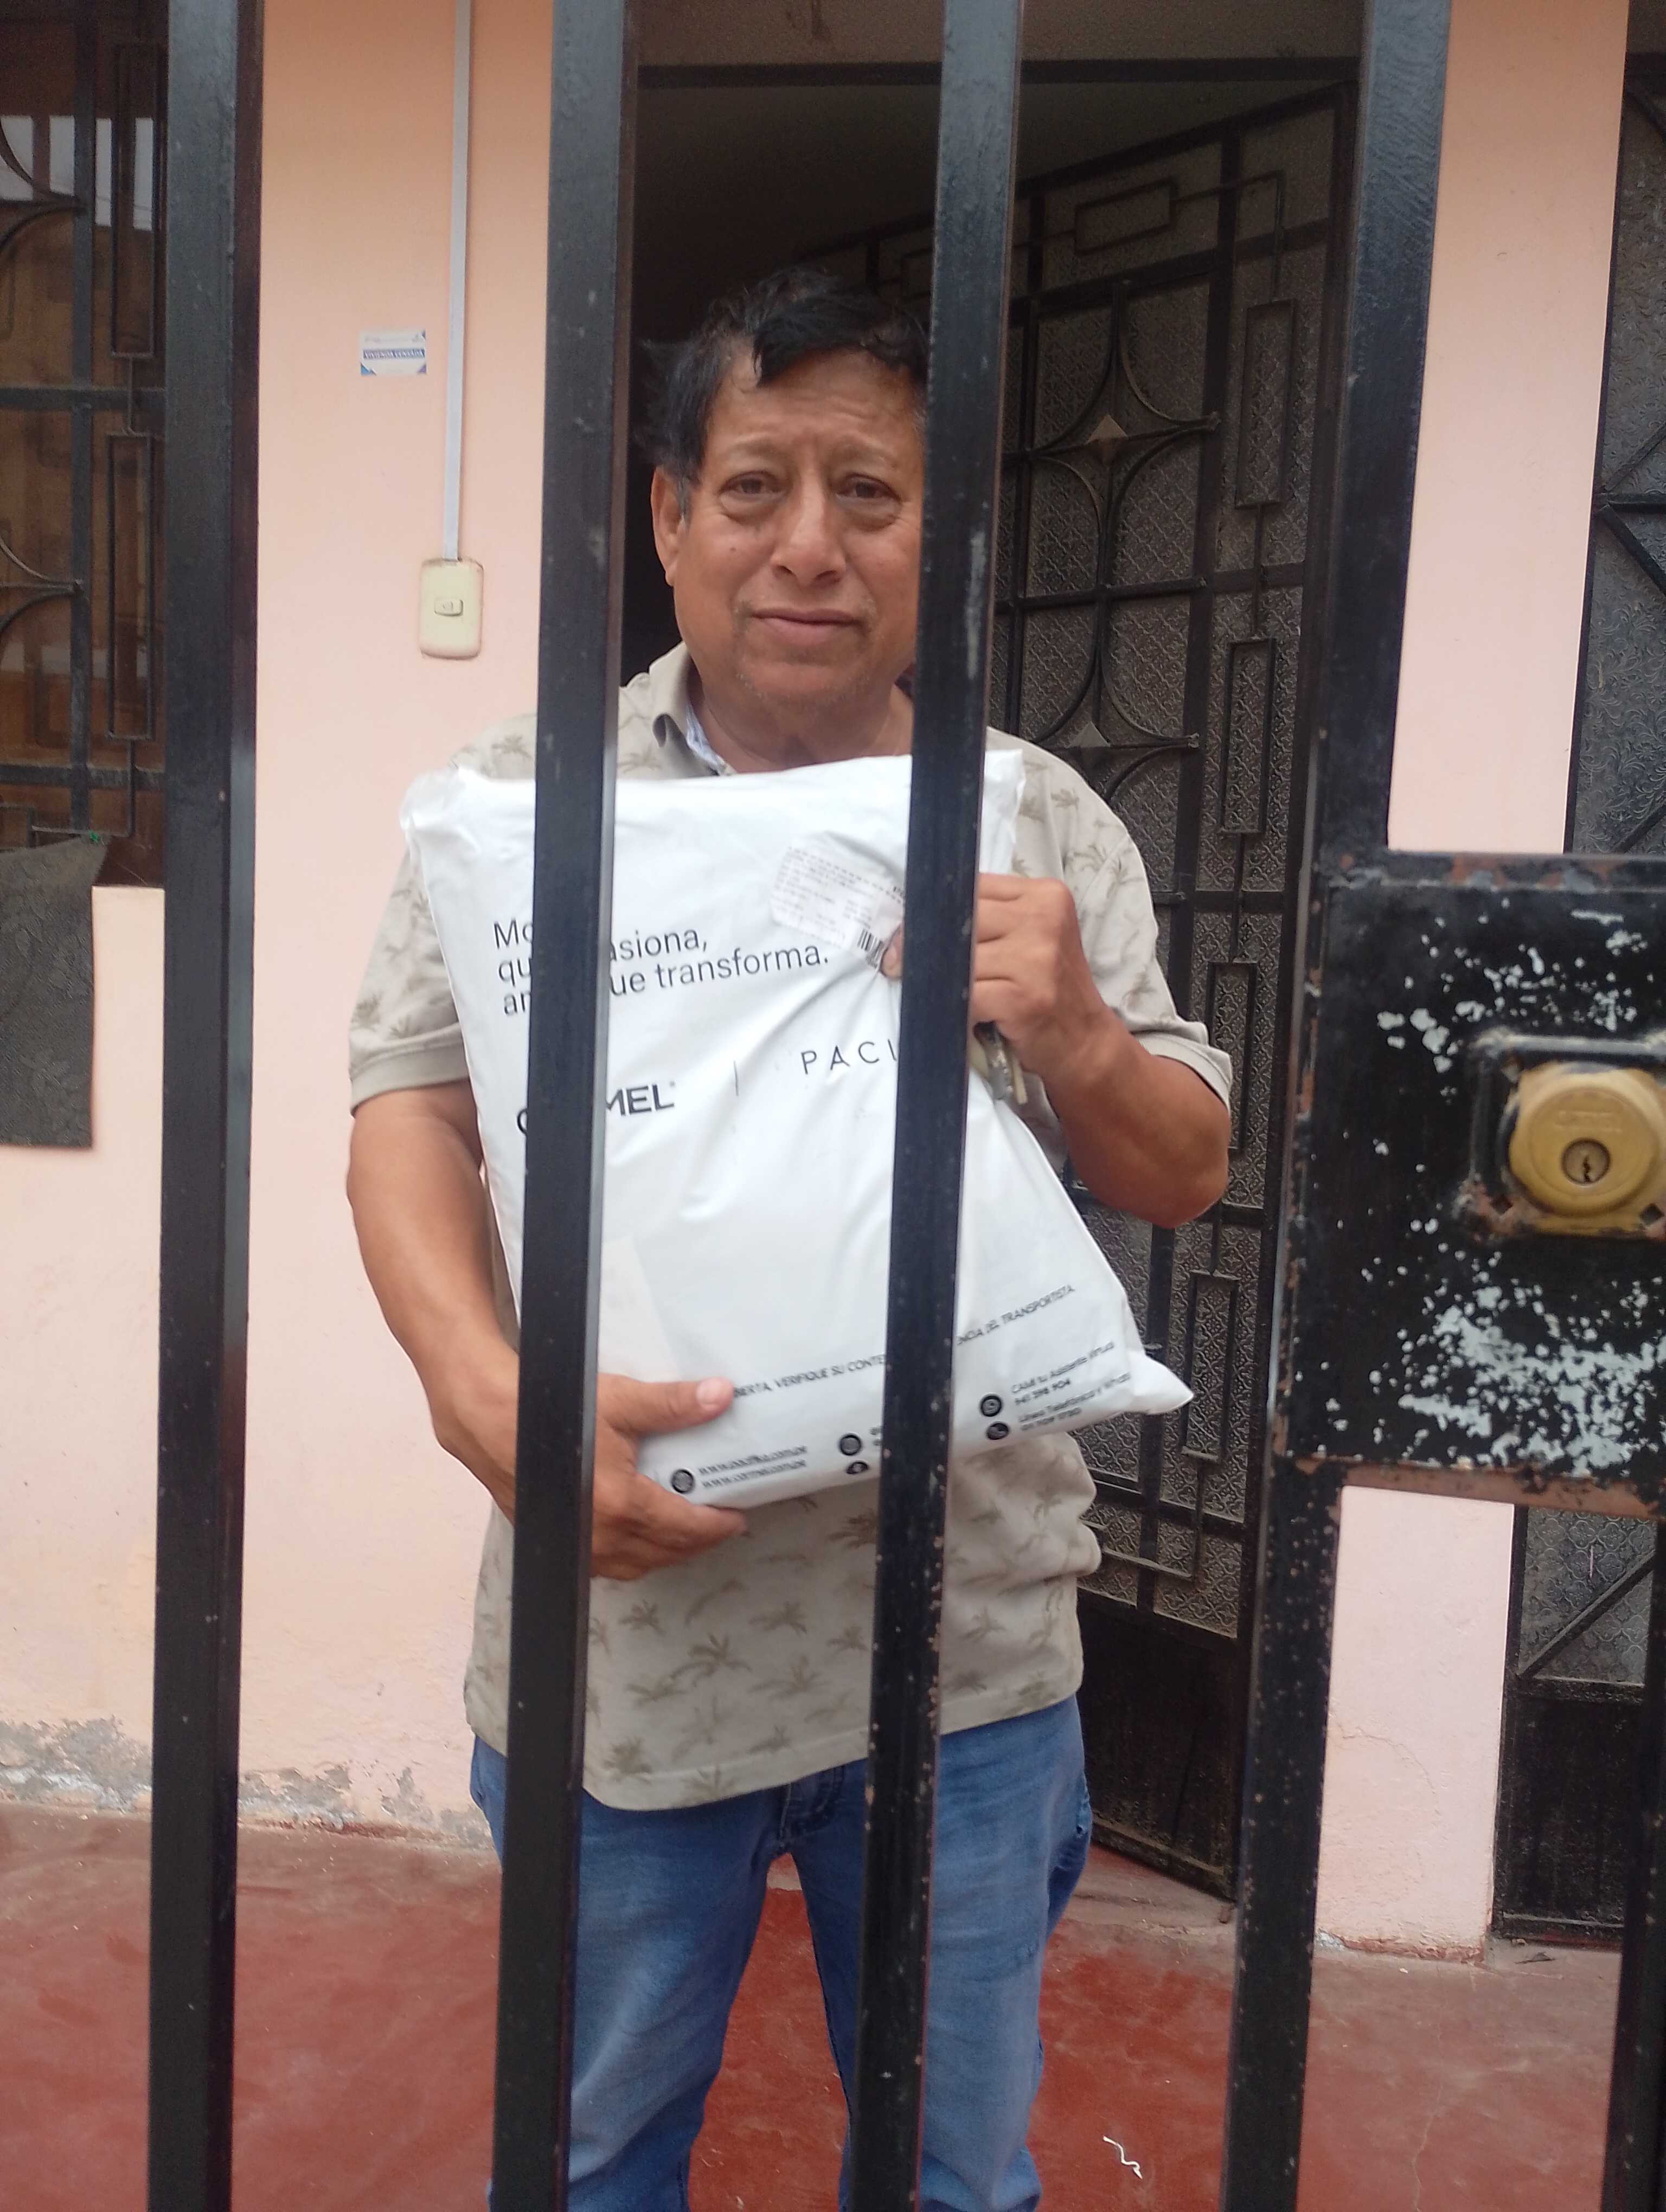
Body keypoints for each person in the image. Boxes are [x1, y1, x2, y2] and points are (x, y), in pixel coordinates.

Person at [346, 266, 1231, 2212]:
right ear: (672, 518)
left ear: (941, 534)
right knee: (590, 2161)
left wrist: (1078, 1030)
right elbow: (407, 1103)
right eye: (755, 488)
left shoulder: (1032, 813)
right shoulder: (522, 804)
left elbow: (1181, 1169)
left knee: (952, 2175)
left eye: (871, 494)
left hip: (968, 1655)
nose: (810, 547)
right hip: (628, 1650)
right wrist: (477, 1387)